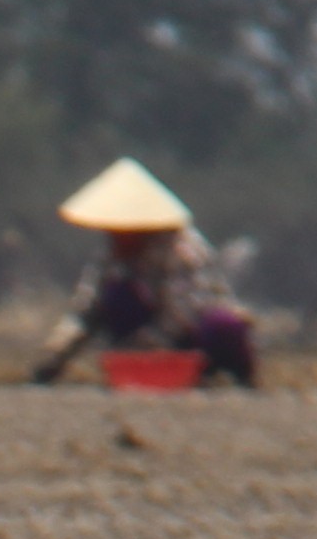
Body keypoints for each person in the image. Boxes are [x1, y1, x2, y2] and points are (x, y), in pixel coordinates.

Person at [27, 159, 256, 387]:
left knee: (225, 324)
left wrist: (147, 346)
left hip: (193, 336)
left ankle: (222, 377)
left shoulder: (183, 249)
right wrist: (53, 356)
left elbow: (183, 313)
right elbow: (85, 312)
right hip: (143, 339)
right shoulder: (112, 256)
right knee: (117, 293)